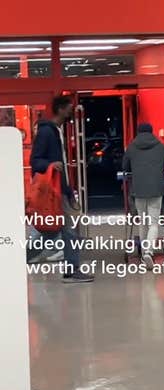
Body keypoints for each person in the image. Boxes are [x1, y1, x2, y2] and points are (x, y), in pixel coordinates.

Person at [28, 96, 93, 283]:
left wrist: (69, 191)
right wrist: (51, 165)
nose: (72, 111)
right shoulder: (47, 132)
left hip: (60, 190)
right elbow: (35, 161)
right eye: (69, 108)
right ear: (60, 109)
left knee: (53, 232)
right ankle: (72, 271)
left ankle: (18, 258)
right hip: (53, 191)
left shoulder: (56, 131)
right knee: (68, 231)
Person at [122, 123, 164, 268]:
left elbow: (124, 166)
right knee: (153, 223)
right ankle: (148, 253)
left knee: (143, 222)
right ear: (152, 132)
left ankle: (144, 254)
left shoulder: (132, 147)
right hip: (156, 189)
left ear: (138, 132)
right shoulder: (160, 146)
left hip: (138, 190)